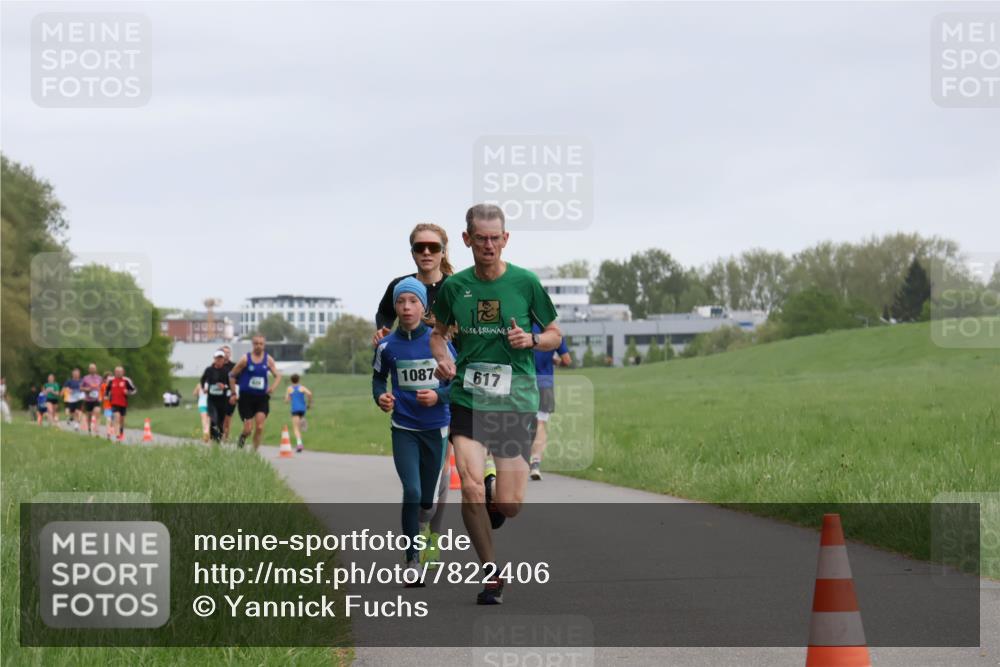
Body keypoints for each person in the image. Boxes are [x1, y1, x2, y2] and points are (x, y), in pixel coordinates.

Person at [431, 203, 561, 605]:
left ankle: (495, 494)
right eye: (480, 238)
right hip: (468, 397)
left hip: (515, 400)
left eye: (495, 238)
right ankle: (491, 575)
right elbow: (438, 334)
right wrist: (442, 357)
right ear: (467, 239)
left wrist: (533, 339)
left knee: (509, 504)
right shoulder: (455, 288)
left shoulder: (524, 283)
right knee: (469, 487)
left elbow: (555, 333)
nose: (488, 245)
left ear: (505, 239)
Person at [373, 278, 456, 583]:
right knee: (411, 491)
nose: (406, 307)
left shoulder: (439, 344)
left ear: (423, 307)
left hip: (436, 429)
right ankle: (412, 561)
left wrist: (438, 396)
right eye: (400, 302)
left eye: (413, 301)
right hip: (404, 428)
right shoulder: (387, 346)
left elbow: (457, 384)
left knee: (427, 503)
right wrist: (381, 397)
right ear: (395, 307)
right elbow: (378, 379)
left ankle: (424, 531)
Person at [373, 223, 455, 346]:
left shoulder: (457, 287)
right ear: (412, 252)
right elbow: (384, 313)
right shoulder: (399, 285)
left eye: (433, 247)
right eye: (419, 247)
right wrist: (383, 329)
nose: (426, 252)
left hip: (451, 356)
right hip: (408, 355)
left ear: (443, 252)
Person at [529, 324, 572, 481]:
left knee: (520, 422)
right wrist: (555, 361)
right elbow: (567, 360)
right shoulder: (554, 332)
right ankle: (535, 463)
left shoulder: (525, 326)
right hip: (545, 384)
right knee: (541, 423)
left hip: (524, 382)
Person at [228, 334, 282, 450]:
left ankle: (254, 452)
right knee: (248, 429)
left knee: (260, 427)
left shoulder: (268, 359)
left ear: (264, 345)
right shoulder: (245, 359)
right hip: (246, 398)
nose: (258, 346)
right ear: (253, 344)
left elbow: (278, 376)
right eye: (256, 343)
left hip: (261, 398)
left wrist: (272, 388)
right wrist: (233, 393)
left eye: (261, 344)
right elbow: (232, 375)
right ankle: (242, 438)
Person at [200, 350, 231, 443]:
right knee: (213, 419)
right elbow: (203, 380)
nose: (219, 360)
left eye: (221, 358)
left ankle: (218, 439)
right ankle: (213, 437)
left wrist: (224, 387)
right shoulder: (209, 370)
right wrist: (204, 387)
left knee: (220, 422)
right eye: (217, 358)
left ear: (223, 360)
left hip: (222, 400)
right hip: (211, 399)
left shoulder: (226, 371)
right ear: (214, 359)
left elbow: (230, 385)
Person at [108, 366, 137, 442]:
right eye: (117, 372)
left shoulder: (126, 380)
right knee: (116, 418)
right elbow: (107, 390)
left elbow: (134, 390)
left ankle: (121, 432)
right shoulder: (111, 380)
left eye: (120, 372)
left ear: (123, 372)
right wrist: (107, 396)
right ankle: (117, 436)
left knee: (121, 420)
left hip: (123, 403)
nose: (118, 373)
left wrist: (128, 392)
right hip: (114, 403)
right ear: (115, 372)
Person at [284, 374, 313, 452]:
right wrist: (310, 403)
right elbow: (309, 394)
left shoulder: (289, 389)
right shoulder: (302, 388)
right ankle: (302, 421)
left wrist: (289, 398)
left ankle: (299, 444)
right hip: (303, 409)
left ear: (291, 380)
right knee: (299, 427)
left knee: (296, 428)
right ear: (299, 380)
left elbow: (286, 400)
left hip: (295, 410)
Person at [220, 345, 236, 441]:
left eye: (228, 352)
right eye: (224, 352)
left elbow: (238, 380)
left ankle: (225, 438)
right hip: (218, 396)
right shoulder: (216, 365)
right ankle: (216, 437)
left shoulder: (234, 366)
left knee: (227, 418)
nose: (226, 354)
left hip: (230, 395)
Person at [81, 364, 103, 432]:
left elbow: (102, 387)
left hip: (96, 399)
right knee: (89, 415)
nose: (92, 370)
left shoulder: (99, 378)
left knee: (97, 412)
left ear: (96, 369)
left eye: (94, 368)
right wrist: (86, 389)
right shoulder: (85, 378)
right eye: (91, 368)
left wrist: (101, 395)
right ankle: (89, 428)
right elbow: (81, 388)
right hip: (88, 400)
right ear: (89, 370)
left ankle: (97, 428)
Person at [100, 372, 115, 439]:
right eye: (108, 378)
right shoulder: (103, 386)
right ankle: (108, 433)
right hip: (107, 406)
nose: (109, 380)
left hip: (115, 406)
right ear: (105, 379)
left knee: (113, 420)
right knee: (108, 419)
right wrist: (104, 398)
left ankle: (111, 429)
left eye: (111, 378)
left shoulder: (114, 385)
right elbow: (101, 396)